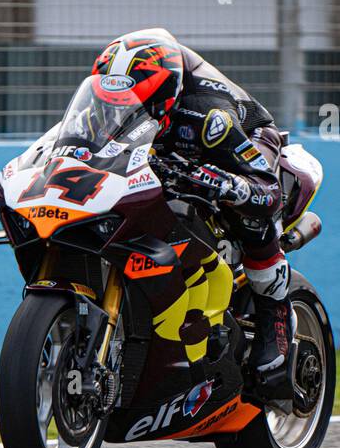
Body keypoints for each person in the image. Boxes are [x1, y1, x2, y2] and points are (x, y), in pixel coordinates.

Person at [90, 27, 294, 385]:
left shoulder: (210, 117)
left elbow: (268, 190)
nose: (122, 111)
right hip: (171, 142)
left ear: (164, 97)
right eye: (115, 104)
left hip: (248, 137)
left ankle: (275, 314)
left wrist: (222, 183)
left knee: (248, 212)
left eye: (136, 105)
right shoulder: (113, 94)